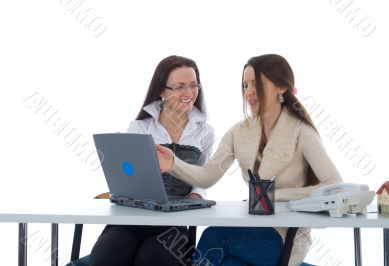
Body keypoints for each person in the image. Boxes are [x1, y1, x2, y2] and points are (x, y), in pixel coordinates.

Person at [156, 54, 343, 266]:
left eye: (257, 83)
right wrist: (173, 163)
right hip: (251, 226)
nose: (249, 92)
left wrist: (273, 195)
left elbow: (335, 187)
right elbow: (208, 176)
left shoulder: (302, 132)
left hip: (284, 236)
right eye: (245, 85)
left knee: (216, 236)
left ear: (281, 87)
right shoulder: (239, 131)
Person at [88, 55, 215, 266]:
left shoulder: (205, 132)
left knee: (153, 261)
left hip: (173, 224)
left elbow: (203, 177)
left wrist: (195, 195)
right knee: (106, 258)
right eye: (179, 87)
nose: (189, 93)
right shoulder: (140, 127)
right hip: (132, 218)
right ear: (161, 91)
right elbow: (126, 176)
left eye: (194, 85)